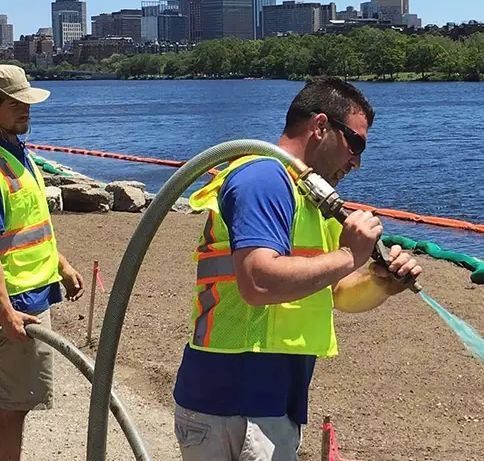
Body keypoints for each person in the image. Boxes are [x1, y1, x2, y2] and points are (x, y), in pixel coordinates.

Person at [173, 76, 422, 461]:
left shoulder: (306, 195)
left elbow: (333, 292)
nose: (356, 161)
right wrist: (348, 256)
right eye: (354, 144)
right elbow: (258, 281)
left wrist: (379, 282)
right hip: (234, 399)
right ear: (320, 126)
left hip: (268, 399)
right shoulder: (264, 178)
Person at [0, 65, 84, 461]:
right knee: (11, 408)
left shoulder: (18, 154)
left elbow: (27, 227)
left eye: (26, 102)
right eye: (14, 103)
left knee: (12, 404)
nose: (24, 110)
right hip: (16, 305)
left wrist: (61, 264)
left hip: (28, 295)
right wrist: (7, 313)